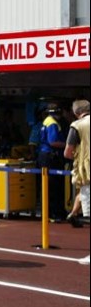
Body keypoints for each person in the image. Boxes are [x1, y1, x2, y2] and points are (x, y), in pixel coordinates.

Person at [38, 104, 67, 221]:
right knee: (54, 186)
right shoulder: (53, 123)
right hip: (50, 157)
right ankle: (54, 213)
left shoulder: (47, 120)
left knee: (48, 186)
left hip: (45, 156)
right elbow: (53, 141)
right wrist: (68, 145)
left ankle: (49, 212)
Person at [64, 99, 89, 232]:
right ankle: (73, 214)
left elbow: (68, 152)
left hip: (86, 168)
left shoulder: (77, 125)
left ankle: (80, 215)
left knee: (85, 192)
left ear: (75, 112)